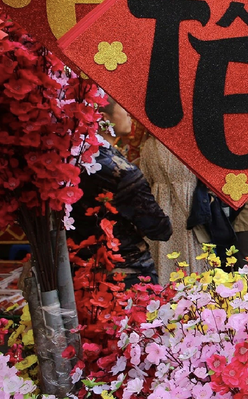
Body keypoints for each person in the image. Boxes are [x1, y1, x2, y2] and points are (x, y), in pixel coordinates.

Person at [70, 97, 172, 287]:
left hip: (78, 272)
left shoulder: (72, 158)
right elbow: (160, 228)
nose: (128, 114)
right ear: (103, 117)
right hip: (125, 275)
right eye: (122, 108)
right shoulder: (121, 171)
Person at [139, 136, 205, 284]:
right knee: (192, 252)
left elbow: (144, 180)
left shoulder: (149, 145)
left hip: (159, 207)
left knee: (161, 253)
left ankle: (163, 291)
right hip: (189, 206)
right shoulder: (194, 143)